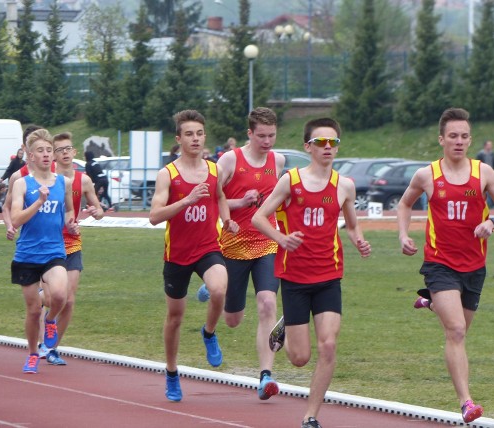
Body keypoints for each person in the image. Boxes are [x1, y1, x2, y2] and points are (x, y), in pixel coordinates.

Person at [397, 108, 494, 423]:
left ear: (470, 139)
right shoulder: (427, 175)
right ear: (441, 139)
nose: (459, 141)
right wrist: (402, 234)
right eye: (453, 136)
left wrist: (492, 223)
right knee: (457, 331)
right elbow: (405, 203)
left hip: (474, 266)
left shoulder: (484, 173)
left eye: (464, 136)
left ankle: (431, 301)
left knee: (460, 326)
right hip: (440, 263)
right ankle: (466, 402)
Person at [252, 117, 371, 428]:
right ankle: (285, 331)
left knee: (328, 345)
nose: (328, 147)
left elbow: (352, 224)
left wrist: (359, 241)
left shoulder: (344, 185)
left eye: (333, 142)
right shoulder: (290, 180)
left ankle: (310, 416)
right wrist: (282, 239)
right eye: (321, 142)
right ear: (308, 147)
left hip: (329, 275)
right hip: (294, 277)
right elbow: (259, 217)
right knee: (300, 358)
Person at [149, 109, 239, 402]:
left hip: (207, 247)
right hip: (177, 254)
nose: (196, 139)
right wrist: (186, 200)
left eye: (199, 133)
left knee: (219, 289)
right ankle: (172, 372)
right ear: (179, 139)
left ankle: (209, 333)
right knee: (175, 317)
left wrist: (226, 219)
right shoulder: (169, 174)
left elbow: (221, 198)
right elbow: (154, 216)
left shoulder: (214, 171)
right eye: (189, 134)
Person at [212, 107, 286, 400]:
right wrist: (240, 203)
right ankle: (213, 287)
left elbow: (280, 199)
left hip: (267, 242)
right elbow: (213, 197)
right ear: (250, 134)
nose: (267, 142)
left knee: (268, 303)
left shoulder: (277, 161)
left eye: (272, 136)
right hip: (233, 244)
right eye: (261, 136)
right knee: (232, 319)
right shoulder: (230, 160)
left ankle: (266, 376)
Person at [10, 129, 79, 374]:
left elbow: (69, 211)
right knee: (32, 311)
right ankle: (32, 353)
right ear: (30, 155)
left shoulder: (63, 182)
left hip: (54, 251)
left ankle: (50, 322)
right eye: (41, 150)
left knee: (60, 295)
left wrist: (71, 223)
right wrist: (38, 202)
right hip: (27, 254)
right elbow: (16, 218)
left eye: (49, 150)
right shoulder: (21, 184)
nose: (47, 155)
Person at [44, 132, 105, 365]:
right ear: (53, 155)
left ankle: (52, 348)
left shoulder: (85, 180)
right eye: (60, 150)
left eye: (68, 148)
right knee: (52, 298)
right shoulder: (46, 178)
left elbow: (99, 211)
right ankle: (45, 310)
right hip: (46, 243)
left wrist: (94, 212)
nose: (65, 153)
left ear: (75, 152)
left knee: (68, 300)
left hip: (71, 242)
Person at [476, 140, 494, 207]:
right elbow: (477, 164)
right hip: (482, 174)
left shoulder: (492, 154)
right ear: (485, 146)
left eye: (491, 145)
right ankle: (482, 204)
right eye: (489, 145)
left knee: (492, 189)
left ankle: (491, 204)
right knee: (482, 190)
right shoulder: (480, 154)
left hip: (491, 174)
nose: (490, 146)